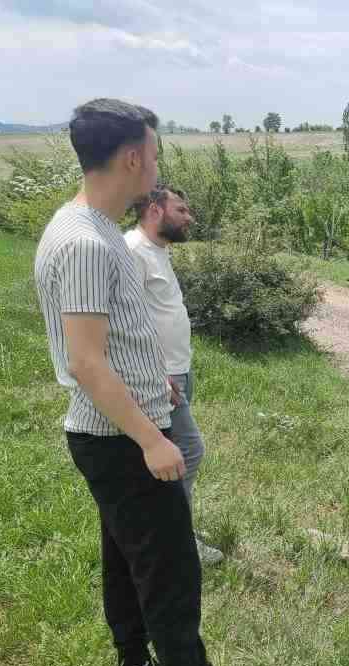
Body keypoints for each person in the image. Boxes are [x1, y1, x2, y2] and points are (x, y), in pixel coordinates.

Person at [32, 99, 240, 666]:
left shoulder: (90, 227)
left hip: (118, 426)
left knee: (126, 558)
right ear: (131, 158)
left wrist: (157, 382)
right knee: (171, 569)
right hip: (119, 438)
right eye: (154, 151)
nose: (156, 164)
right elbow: (86, 361)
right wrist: (152, 438)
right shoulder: (86, 243)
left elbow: (114, 340)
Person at [125, 185, 223, 566]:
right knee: (188, 452)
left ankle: (159, 533)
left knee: (167, 459)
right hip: (160, 379)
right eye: (181, 209)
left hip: (178, 372)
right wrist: (155, 374)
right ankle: (176, 540)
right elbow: (123, 323)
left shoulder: (156, 250)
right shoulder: (132, 251)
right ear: (155, 210)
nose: (189, 218)